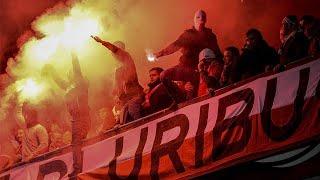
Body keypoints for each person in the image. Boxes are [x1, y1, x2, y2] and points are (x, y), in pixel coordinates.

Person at [154, 10, 222, 97]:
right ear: (194, 20)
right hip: (184, 67)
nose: (201, 19)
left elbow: (217, 53)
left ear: (206, 20)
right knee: (164, 75)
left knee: (191, 95)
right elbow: (175, 45)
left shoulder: (210, 36)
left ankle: (183, 99)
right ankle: (177, 98)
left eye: (203, 17)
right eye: (198, 17)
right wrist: (160, 53)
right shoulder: (188, 34)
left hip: (198, 71)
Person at [43, 54, 90, 178]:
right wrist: (51, 68)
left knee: (77, 143)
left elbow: (77, 69)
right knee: (77, 143)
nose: (70, 74)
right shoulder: (69, 86)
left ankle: (78, 169)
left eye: (72, 72)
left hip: (82, 117)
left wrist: (74, 55)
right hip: (75, 119)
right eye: (69, 73)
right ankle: (81, 166)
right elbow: (58, 80)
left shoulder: (81, 83)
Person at [91, 36, 144, 123]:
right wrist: (117, 95)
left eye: (117, 49)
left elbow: (115, 49)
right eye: (113, 52)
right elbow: (117, 88)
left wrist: (102, 42)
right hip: (125, 100)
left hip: (135, 96)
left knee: (133, 111)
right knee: (124, 119)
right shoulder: (118, 71)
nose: (114, 52)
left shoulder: (127, 59)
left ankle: (142, 128)